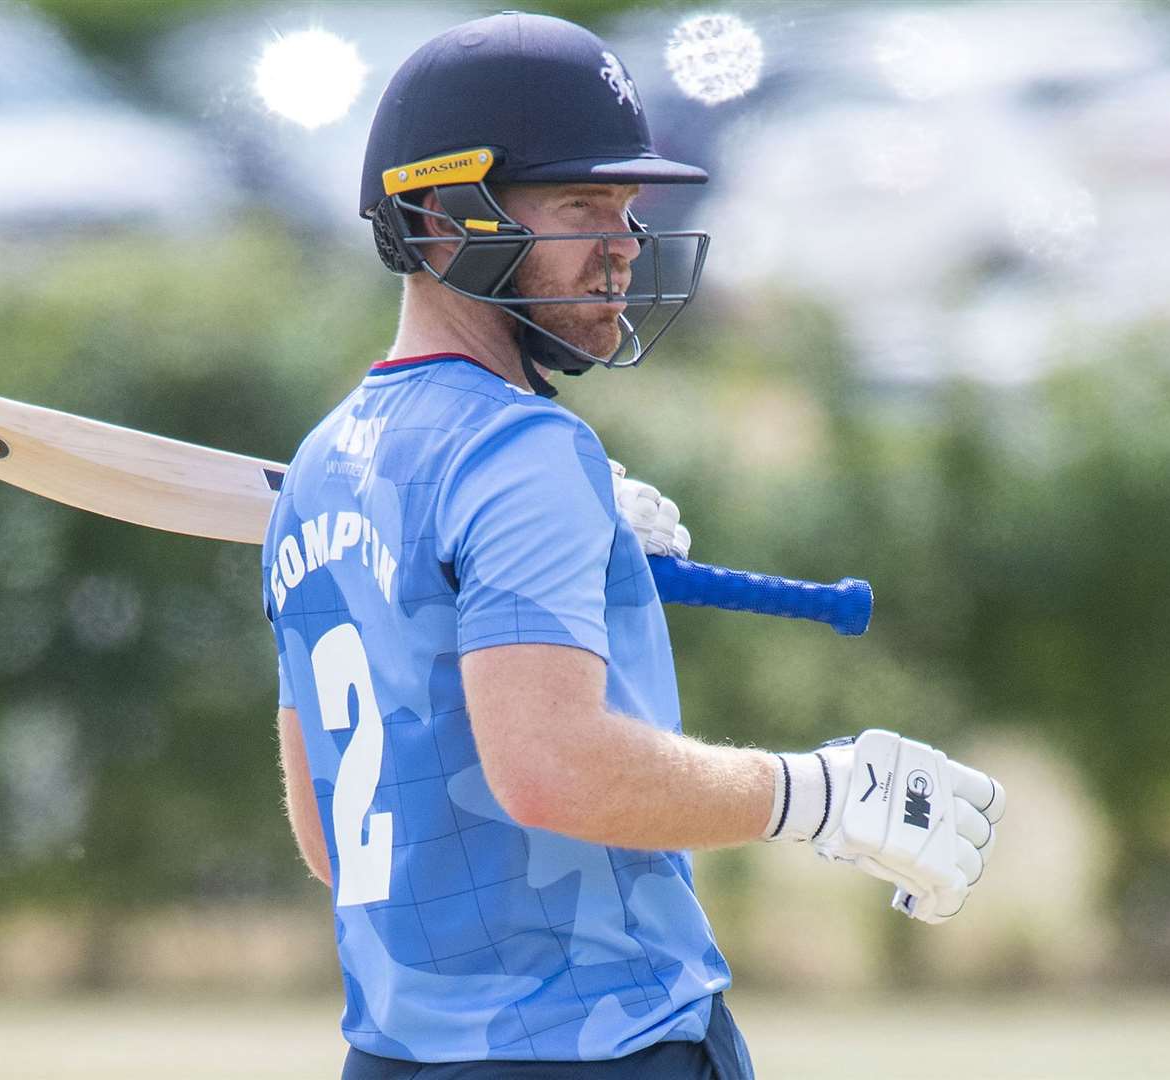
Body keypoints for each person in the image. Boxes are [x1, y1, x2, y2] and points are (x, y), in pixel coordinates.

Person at [262, 13, 1007, 1078]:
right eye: (579, 206)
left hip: (393, 1056)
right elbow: (554, 769)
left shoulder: (323, 467)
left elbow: (332, 840)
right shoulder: (526, 452)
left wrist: (557, 540)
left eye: (625, 207)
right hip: (602, 1043)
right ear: (436, 220)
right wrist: (821, 795)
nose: (622, 245)